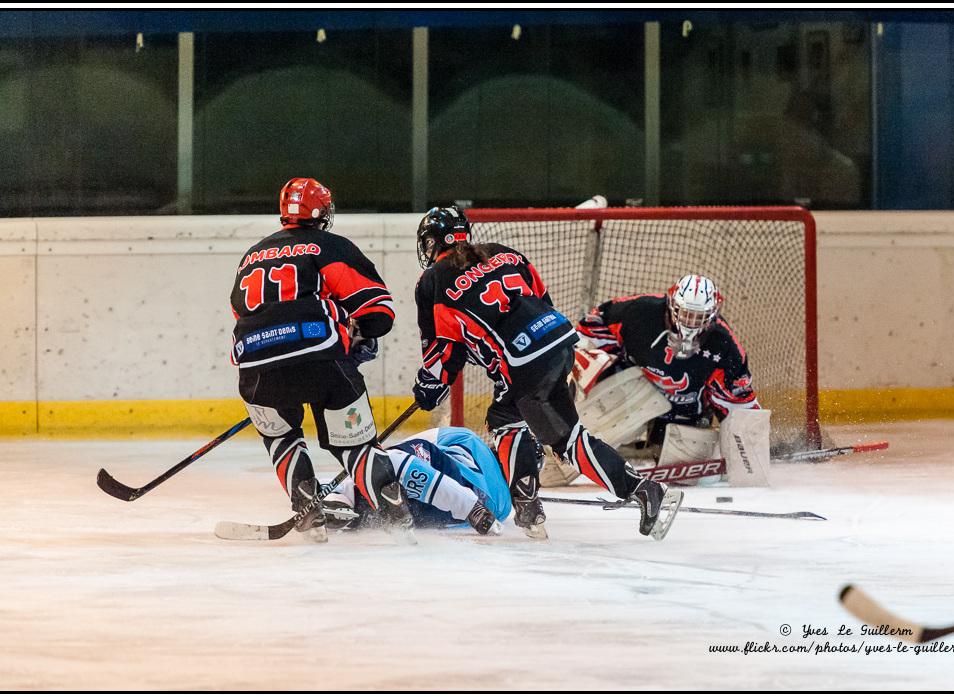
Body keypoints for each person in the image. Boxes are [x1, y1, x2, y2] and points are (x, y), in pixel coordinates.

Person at [408, 206, 683, 540]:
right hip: (561, 340)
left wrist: (430, 386)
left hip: (523, 360)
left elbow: (444, 348)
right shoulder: (503, 254)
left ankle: (528, 507)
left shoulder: (432, 281)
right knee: (559, 435)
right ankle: (642, 490)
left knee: (508, 422)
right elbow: (542, 298)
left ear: (433, 243)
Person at [229, 177, 413, 543]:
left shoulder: (251, 255)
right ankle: (398, 522)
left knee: (281, 436)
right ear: (322, 213)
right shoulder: (329, 245)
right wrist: (357, 335)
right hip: (321, 359)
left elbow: (240, 310)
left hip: (257, 366)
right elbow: (378, 310)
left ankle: (308, 511)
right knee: (357, 446)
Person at [574, 274, 761, 460]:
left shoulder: (724, 344)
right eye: (686, 314)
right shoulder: (640, 311)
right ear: (672, 306)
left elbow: (738, 401)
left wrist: (748, 446)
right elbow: (593, 326)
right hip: (635, 391)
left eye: (699, 317)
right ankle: (582, 443)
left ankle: (648, 447)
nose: (691, 322)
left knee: (682, 458)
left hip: (684, 410)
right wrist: (589, 360)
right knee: (601, 401)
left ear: (712, 315)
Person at [320, 426, 511, 535]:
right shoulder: (504, 507)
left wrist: (377, 456)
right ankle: (349, 505)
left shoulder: (470, 439)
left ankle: (339, 499)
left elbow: (426, 439)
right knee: (381, 503)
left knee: (388, 468)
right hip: (439, 513)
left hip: (443, 477)